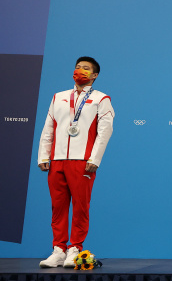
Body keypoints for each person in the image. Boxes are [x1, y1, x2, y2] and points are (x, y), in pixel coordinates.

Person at [38, 56, 115, 268]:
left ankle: (75, 248)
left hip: (83, 161)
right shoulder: (59, 97)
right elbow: (48, 128)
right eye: (77, 67)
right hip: (57, 160)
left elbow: (105, 131)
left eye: (85, 68)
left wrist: (95, 159)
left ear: (94, 75)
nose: (79, 70)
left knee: (80, 206)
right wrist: (44, 156)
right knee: (58, 207)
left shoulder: (101, 99)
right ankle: (58, 250)